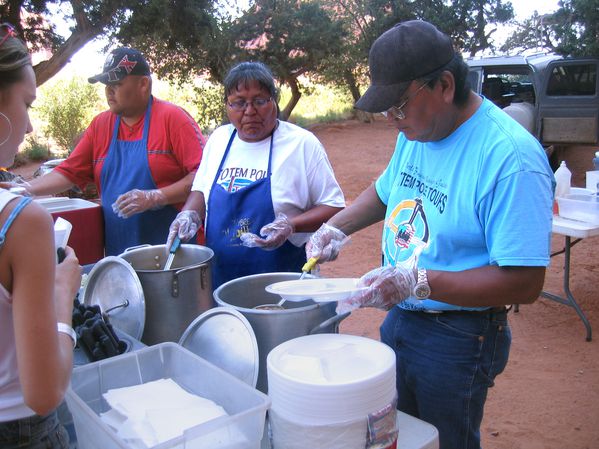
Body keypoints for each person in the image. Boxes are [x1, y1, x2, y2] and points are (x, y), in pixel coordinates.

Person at [306, 20, 553, 449]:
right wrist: (335, 226)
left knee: (443, 441)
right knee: (402, 434)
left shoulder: (509, 158)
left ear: (443, 85)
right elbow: (385, 192)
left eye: (399, 105)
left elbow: (525, 282)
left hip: (459, 335)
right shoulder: (419, 129)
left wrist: (417, 281)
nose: (390, 119)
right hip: (403, 314)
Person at [2, 47, 205, 256]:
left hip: (174, 251)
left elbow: (203, 178)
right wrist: (28, 189)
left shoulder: (173, 119)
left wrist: (155, 197)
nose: (109, 91)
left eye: (116, 84)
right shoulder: (101, 125)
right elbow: (69, 172)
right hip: (121, 253)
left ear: (143, 84)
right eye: (107, 85)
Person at [167, 61, 345, 288]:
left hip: (285, 284)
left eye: (259, 101)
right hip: (222, 281)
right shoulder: (220, 140)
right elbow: (202, 189)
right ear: (226, 106)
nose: (249, 111)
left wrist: (291, 225)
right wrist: (188, 213)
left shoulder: (301, 144)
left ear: (274, 101)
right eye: (239, 103)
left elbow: (334, 206)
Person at [0, 23, 81, 447]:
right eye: (27, 103)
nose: (29, 127)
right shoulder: (20, 221)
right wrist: (61, 294)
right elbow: (44, 392)